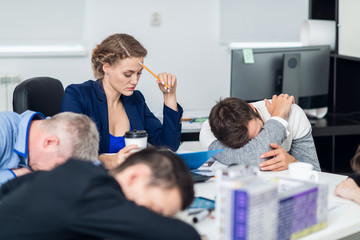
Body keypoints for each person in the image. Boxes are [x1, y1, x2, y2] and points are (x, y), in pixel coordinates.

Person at [0, 149, 201, 240]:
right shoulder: (90, 192)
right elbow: (184, 236)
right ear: (135, 175)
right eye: (152, 211)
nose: (149, 221)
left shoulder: (77, 173)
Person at [61, 33, 183, 170]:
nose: (135, 81)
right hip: (93, 182)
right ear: (106, 67)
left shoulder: (136, 100)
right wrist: (105, 160)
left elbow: (169, 144)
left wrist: (169, 96)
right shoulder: (78, 95)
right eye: (128, 74)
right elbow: (70, 152)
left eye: (139, 73)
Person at [200, 94, 320, 171]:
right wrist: (278, 117)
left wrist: (294, 163)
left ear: (252, 109)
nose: (260, 141)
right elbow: (257, 158)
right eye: (248, 143)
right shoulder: (209, 130)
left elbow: (318, 176)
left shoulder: (293, 114)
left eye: (261, 131)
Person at [0, 110, 99, 186]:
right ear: (49, 143)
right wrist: (16, 175)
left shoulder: (57, 130)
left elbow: (93, 166)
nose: (55, 175)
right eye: (57, 167)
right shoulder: (3, 132)